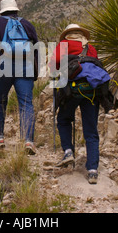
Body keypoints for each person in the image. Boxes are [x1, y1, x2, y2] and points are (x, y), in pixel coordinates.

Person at [0, 0, 39, 155]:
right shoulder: (27, 24)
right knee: (26, 103)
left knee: (0, 100)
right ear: (16, 9)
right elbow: (35, 48)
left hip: (3, 67)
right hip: (26, 66)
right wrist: (35, 71)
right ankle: (28, 140)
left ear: (2, 10)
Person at [49, 24, 101, 184]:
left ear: (67, 34)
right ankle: (92, 170)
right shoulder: (90, 47)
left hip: (71, 89)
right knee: (91, 130)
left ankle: (68, 151)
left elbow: (53, 64)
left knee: (64, 120)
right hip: (91, 91)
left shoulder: (63, 45)